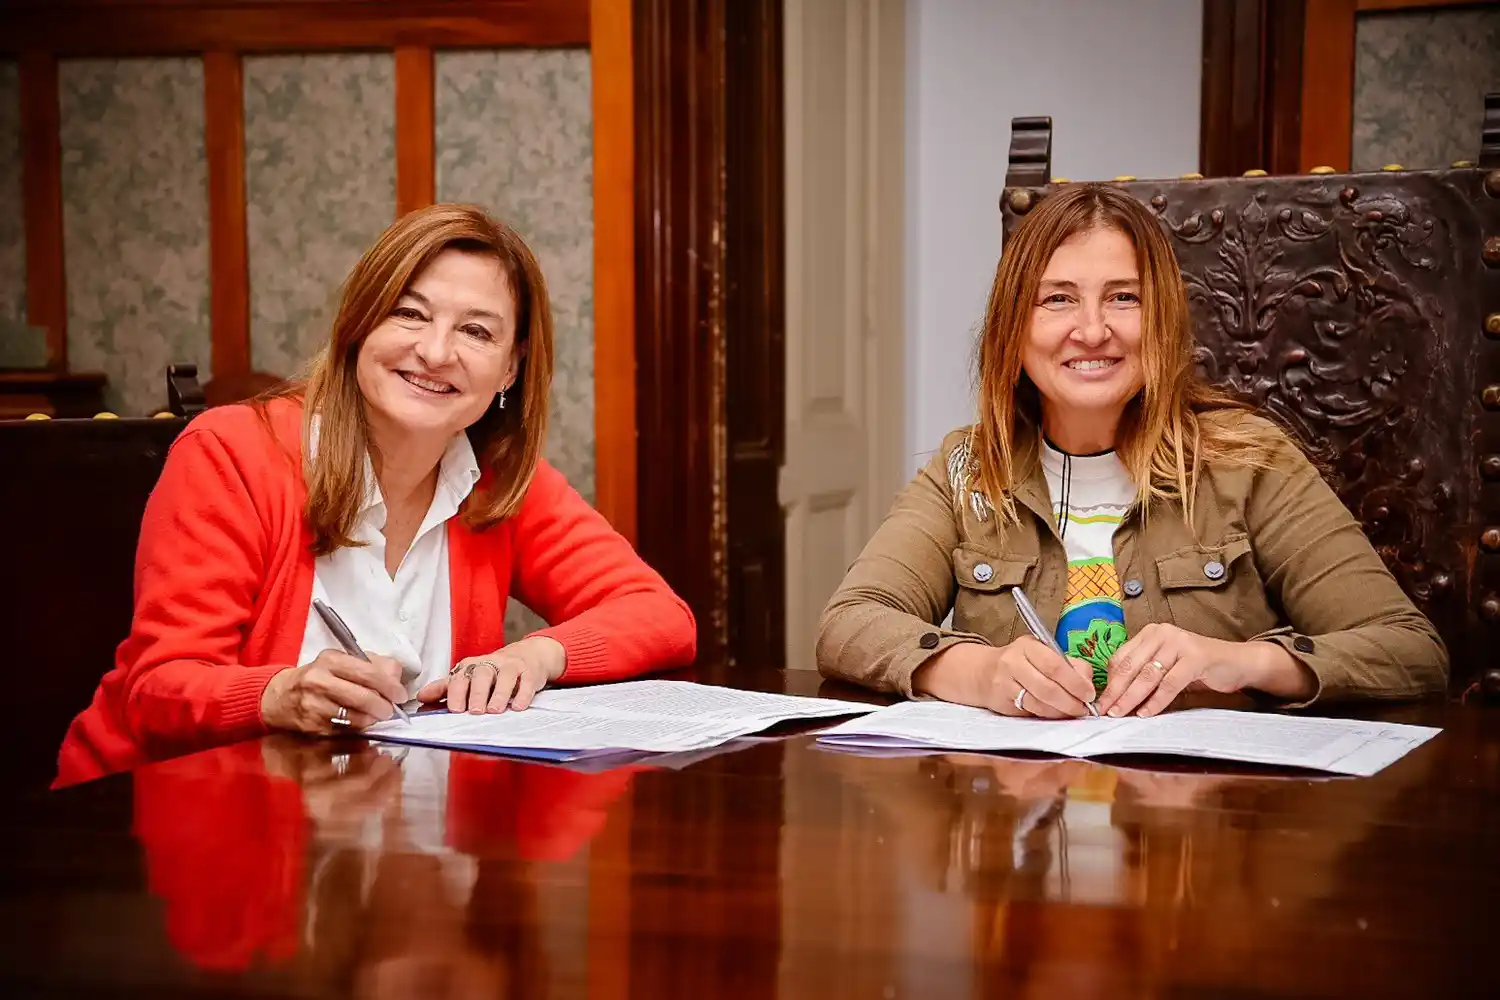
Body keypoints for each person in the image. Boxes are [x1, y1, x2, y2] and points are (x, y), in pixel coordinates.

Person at [57, 203, 696, 787]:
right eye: (409, 314)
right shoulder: (232, 453)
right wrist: (278, 696)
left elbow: (661, 617)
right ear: (360, 325)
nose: (436, 352)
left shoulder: (497, 481)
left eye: (476, 332)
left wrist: (539, 654)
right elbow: (158, 690)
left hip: (378, 824)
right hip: (140, 819)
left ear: (510, 367)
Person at [817, 183, 1446, 719]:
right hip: (1023, 812)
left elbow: (1410, 650)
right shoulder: (969, 469)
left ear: (1162, 321)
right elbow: (850, 622)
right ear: (1014, 329)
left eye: (1124, 297)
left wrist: (1240, 662)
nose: (1093, 330)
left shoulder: (1251, 461)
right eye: (1057, 298)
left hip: (1202, 814)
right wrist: (978, 673)